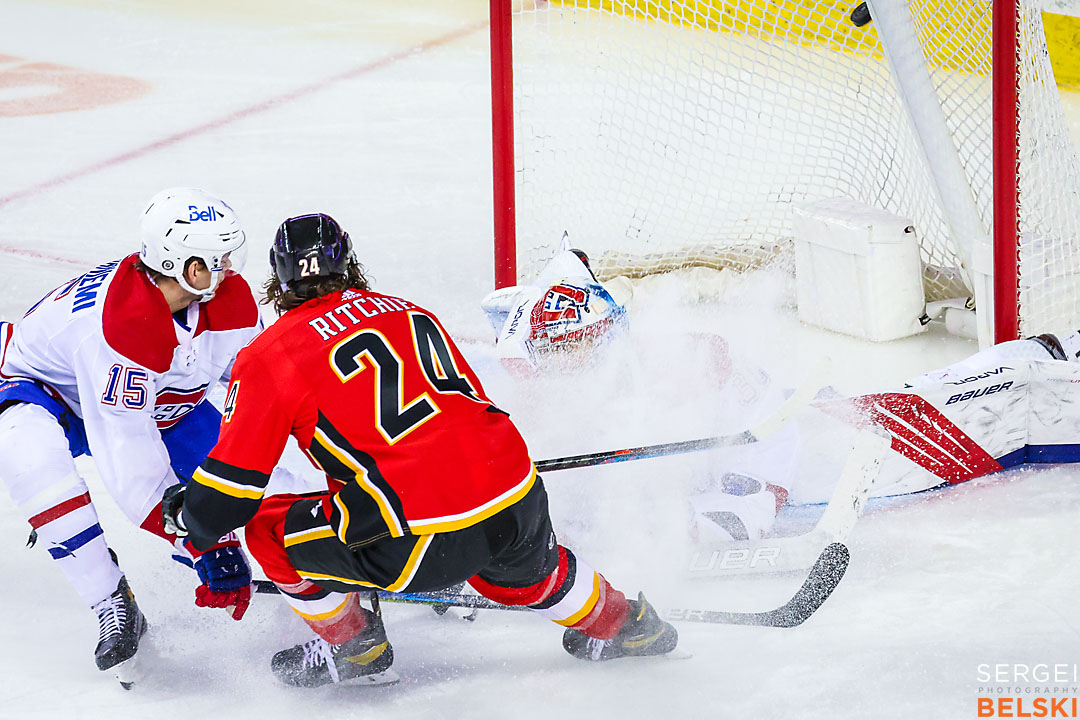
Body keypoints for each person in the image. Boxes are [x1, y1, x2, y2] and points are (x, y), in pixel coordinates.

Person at [163, 213, 679, 688]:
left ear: (278, 281)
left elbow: (232, 493)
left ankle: (356, 647)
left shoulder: (269, 355)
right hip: (517, 493)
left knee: (269, 529)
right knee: (525, 569)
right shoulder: (413, 311)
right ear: (350, 264)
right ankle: (627, 623)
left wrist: (188, 517)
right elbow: (468, 410)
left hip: (418, 538)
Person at [0, 188, 261, 681]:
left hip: (159, 403)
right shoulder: (121, 327)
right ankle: (109, 597)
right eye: (218, 258)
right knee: (29, 456)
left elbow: (259, 397)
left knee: (261, 475)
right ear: (186, 267)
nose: (230, 266)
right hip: (40, 389)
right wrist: (203, 538)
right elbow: (131, 465)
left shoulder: (227, 298)